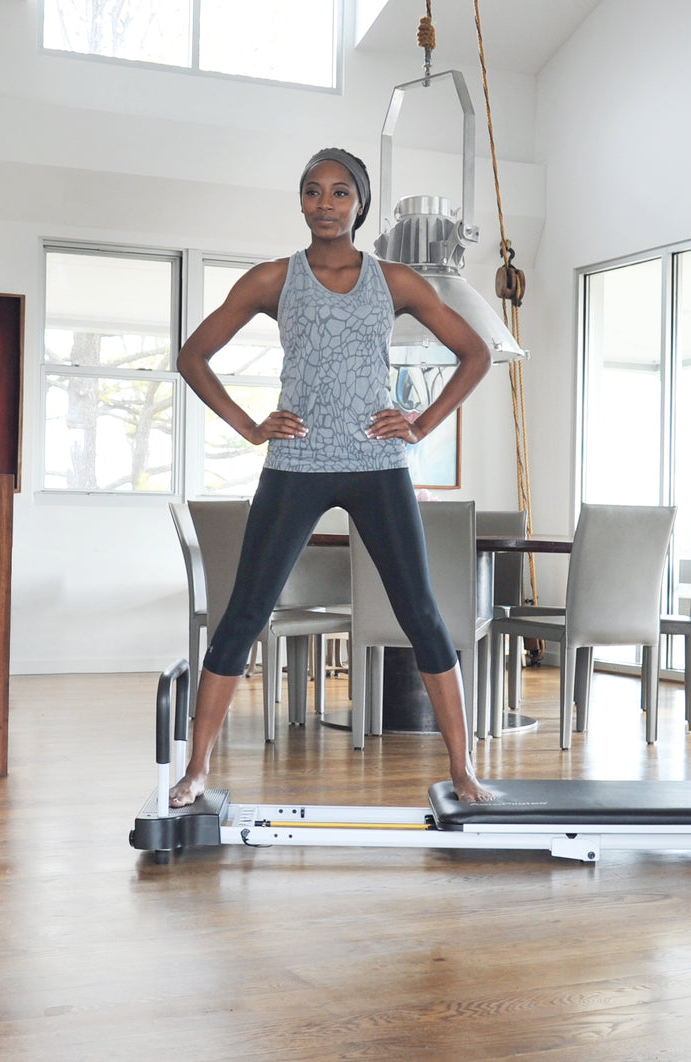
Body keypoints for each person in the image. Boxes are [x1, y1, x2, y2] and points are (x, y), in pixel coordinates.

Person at [169, 146, 494, 808]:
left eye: (340, 192)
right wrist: (249, 425)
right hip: (296, 465)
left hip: (378, 466)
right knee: (242, 615)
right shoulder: (271, 279)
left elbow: (475, 352)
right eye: (313, 191)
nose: (325, 203)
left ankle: (463, 772)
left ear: (360, 204)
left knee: (423, 616)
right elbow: (193, 356)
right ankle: (197, 769)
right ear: (301, 201)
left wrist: (423, 423)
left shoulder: (396, 281)